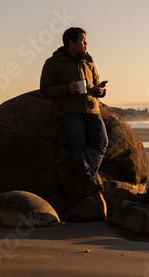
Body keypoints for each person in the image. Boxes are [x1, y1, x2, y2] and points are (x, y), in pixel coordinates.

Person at [40, 27, 108, 195]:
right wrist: (66, 90)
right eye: (83, 40)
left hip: (92, 109)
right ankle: (89, 181)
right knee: (78, 145)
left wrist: (100, 91)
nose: (86, 44)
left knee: (101, 143)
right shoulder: (54, 62)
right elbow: (45, 89)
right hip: (69, 110)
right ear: (71, 43)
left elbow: (96, 84)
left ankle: (87, 180)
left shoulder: (89, 61)